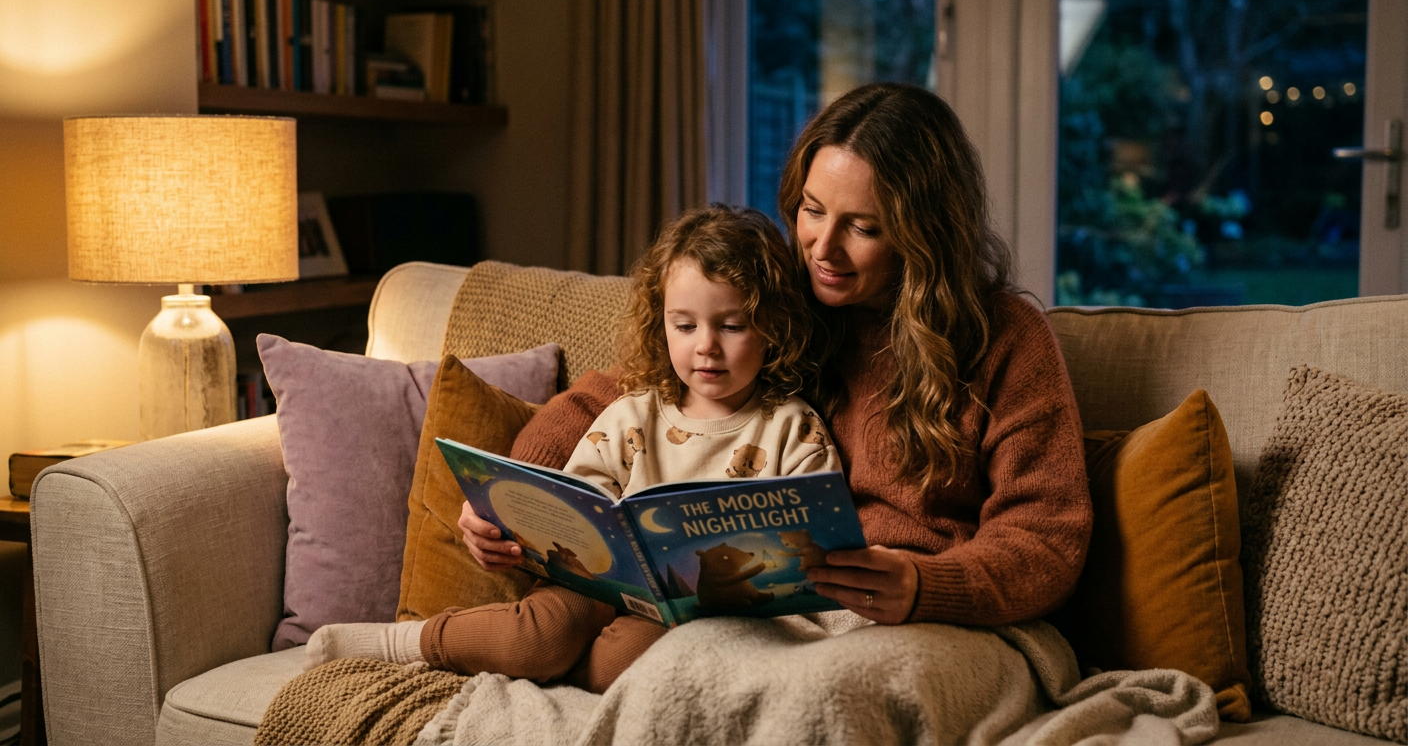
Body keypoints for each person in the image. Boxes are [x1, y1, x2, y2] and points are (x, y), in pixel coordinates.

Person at [465, 82, 1092, 634]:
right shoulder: (782, 300)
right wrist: (513, 503)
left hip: (940, 618)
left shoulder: (1005, 336)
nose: (823, 246)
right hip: (780, 613)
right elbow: (612, 395)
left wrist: (927, 586)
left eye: (863, 228)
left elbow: (1048, 539)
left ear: (924, 232)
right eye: (811, 211)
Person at [305, 204, 843, 693]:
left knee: (621, 662)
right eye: (685, 325)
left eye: (731, 326)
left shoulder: (793, 430)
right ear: (661, 325)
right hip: (599, 587)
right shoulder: (634, 413)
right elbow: (579, 500)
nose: (706, 345)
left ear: (774, 329)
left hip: (708, 619)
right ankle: (400, 645)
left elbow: (815, 548)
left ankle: (557, 666)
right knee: (534, 638)